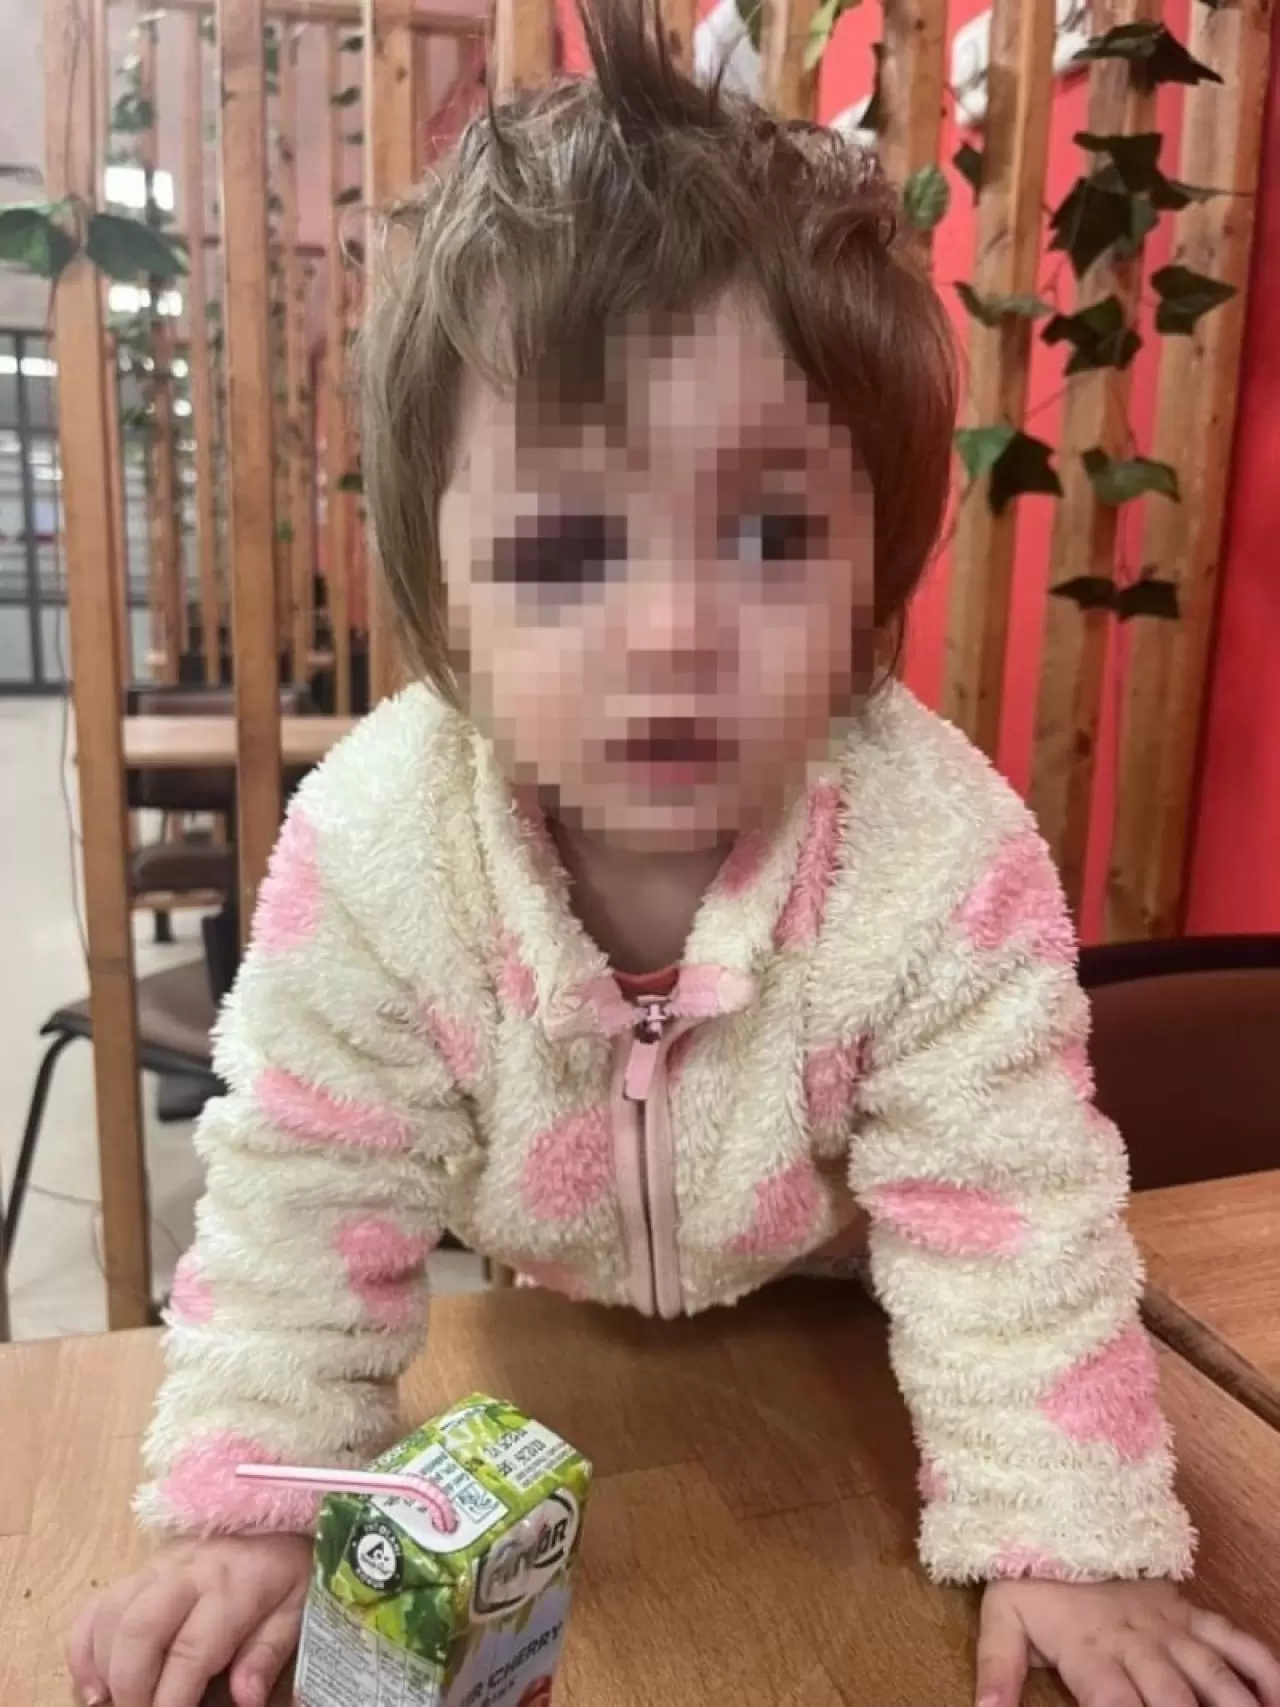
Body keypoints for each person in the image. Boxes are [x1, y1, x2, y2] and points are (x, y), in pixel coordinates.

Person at [70, 7, 1280, 1707]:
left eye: (772, 532)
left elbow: (1008, 1207)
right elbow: (301, 1194)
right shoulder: (378, 848)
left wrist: (1067, 1537)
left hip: (839, 1318)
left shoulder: (935, 852)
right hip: (554, 1330)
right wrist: (256, 1508)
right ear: (442, 598)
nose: (674, 634)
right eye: (568, 543)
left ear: (874, 579)